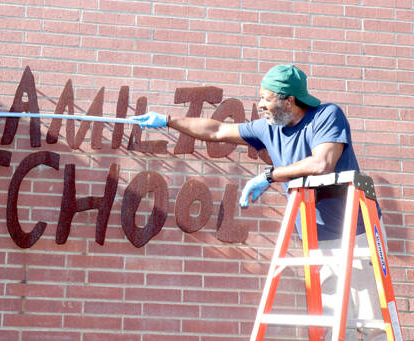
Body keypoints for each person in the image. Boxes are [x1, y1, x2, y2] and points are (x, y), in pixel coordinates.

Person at [133, 64, 387, 341]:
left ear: (288, 99)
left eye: (266, 98)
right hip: (316, 237)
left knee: (370, 320)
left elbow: (322, 163)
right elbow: (217, 130)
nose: (260, 105)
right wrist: (167, 120)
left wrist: (270, 176)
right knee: (336, 324)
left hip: (355, 231)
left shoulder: (326, 116)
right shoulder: (267, 128)